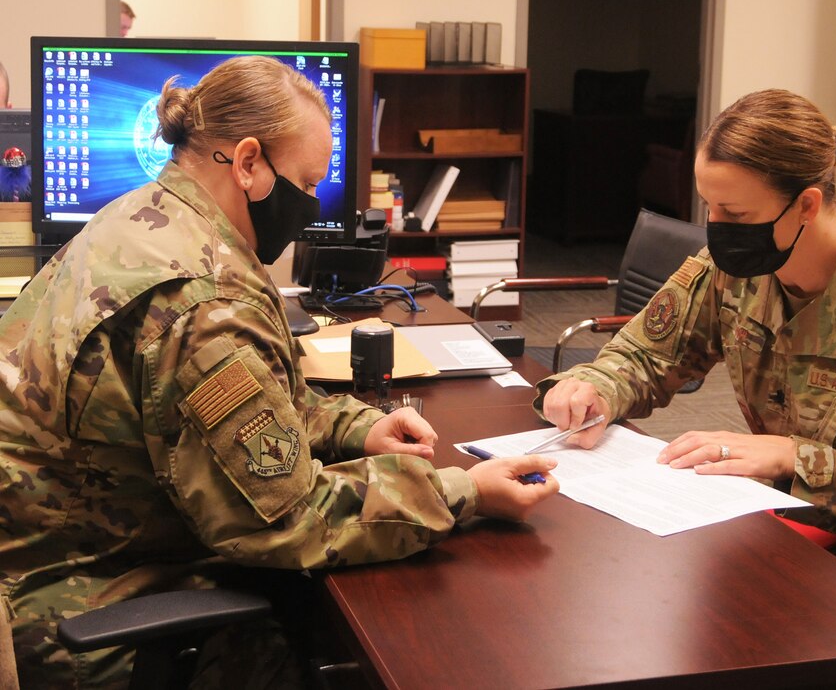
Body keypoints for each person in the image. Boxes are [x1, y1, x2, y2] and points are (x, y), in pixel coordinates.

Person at [0, 55, 559, 689]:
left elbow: (253, 400)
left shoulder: (147, 216)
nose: (314, 201)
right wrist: (466, 492)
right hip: (80, 602)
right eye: (307, 181)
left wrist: (356, 430)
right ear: (247, 162)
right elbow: (284, 520)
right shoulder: (206, 302)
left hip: (54, 544)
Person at [537, 88, 836, 660]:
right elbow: (647, 355)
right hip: (810, 518)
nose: (716, 229)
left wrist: (792, 459)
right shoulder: (737, 270)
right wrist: (596, 388)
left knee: (761, 628)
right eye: (709, 208)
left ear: (807, 205)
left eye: (735, 215)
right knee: (657, 593)